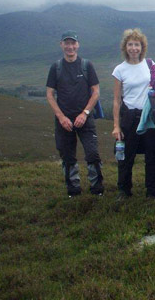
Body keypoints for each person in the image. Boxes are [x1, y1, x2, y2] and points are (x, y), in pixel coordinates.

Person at [46, 30, 104, 197]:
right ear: (61, 45)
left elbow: (96, 92)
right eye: (67, 43)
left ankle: (97, 189)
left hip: (85, 118)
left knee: (92, 153)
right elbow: (49, 94)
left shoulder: (86, 65)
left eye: (73, 43)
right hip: (64, 121)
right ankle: (73, 190)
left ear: (77, 45)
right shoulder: (56, 67)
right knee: (68, 156)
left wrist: (85, 113)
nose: (70, 46)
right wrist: (61, 117)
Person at [111, 28, 155, 200]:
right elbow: (117, 100)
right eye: (130, 45)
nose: (133, 48)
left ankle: (152, 191)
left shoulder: (150, 64)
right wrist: (116, 125)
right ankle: (124, 190)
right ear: (125, 47)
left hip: (148, 116)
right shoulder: (119, 70)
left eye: (137, 45)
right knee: (126, 156)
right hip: (129, 117)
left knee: (152, 155)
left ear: (142, 47)